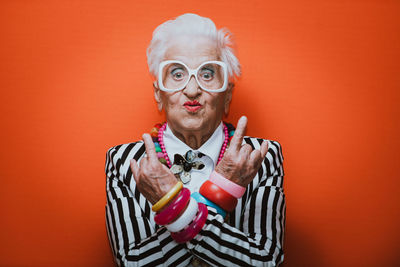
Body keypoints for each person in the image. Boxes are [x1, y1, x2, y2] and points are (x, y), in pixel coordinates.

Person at [105, 13, 285, 267]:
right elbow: (132, 262)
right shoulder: (126, 162)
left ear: (227, 96)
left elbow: (266, 260)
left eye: (208, 74)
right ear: (159, 95)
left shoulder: (259, 156)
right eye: (177, 74)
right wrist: (222, 192)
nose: (192, 90)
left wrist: (174, 208)